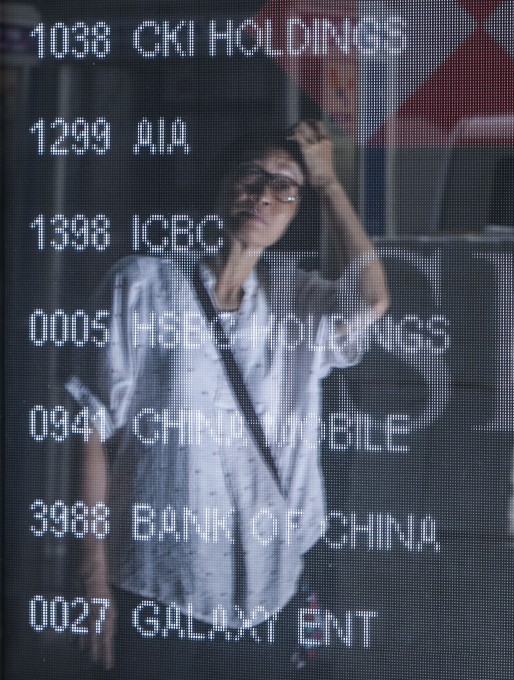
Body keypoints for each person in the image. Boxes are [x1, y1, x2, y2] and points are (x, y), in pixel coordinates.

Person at [67, 121, 388, 678]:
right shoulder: (142, 286)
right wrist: (92, 580)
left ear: (296, 212)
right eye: (252, 177)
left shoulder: (294, 300)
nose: (265, 196)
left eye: (286, 188)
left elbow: (373, 299)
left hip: (268, 588)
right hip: (158, 583)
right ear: (222, 186)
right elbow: (90, 429)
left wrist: (329, 183)